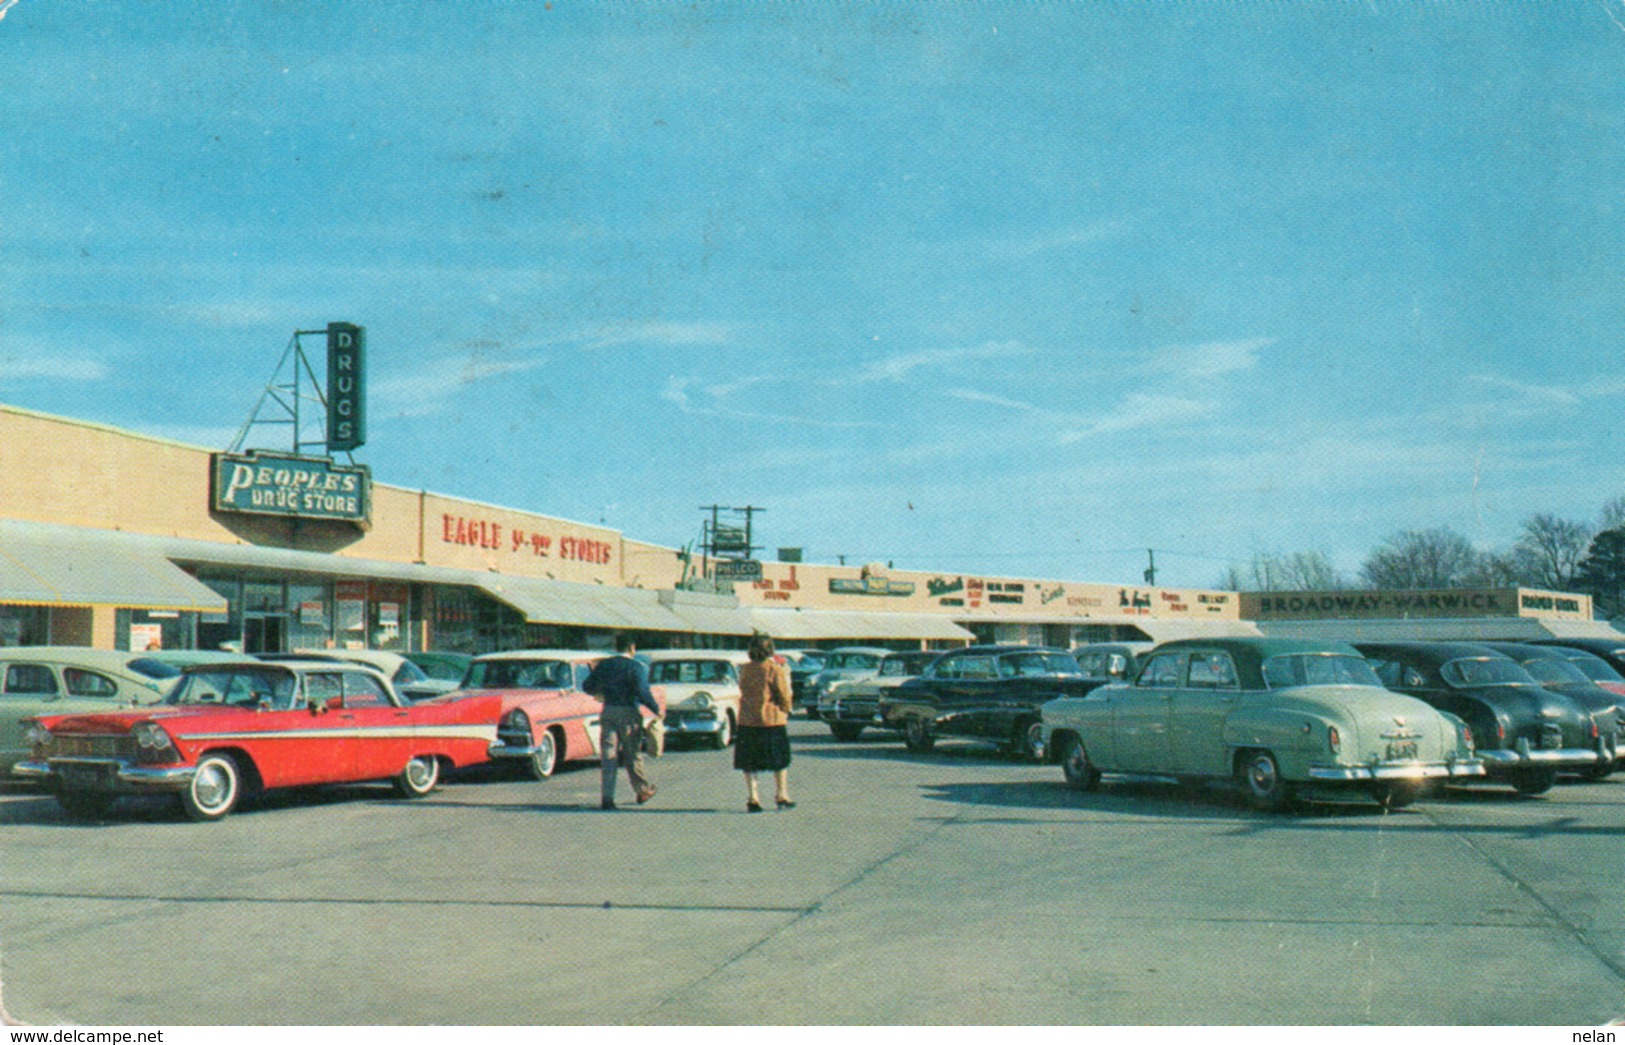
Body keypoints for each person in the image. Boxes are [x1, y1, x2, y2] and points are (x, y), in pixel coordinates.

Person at [581, 633, 661, 810]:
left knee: (608, 754)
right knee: (632, 753)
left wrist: (600, 693)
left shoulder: (605, 665)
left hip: (608, 710)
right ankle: (641, 790)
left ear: (616, 647)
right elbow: (642, 691)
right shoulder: (635, 667)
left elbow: (587, 686)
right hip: (628, 712)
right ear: (632, 648)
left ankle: (607, 798)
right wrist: (656, 709)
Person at [735, 633, 795, 812]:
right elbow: (783, 694)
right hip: (771, 720)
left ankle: (753, 797)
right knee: (780, 760)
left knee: (750, 762)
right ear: (770, 649)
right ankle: (781, 795)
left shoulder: (745, 669)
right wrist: (786, 708)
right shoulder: (774, 669)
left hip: (748, 720)